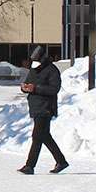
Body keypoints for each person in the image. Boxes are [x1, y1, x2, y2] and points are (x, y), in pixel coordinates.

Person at [18, 46, 68, 174]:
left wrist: (36, 88)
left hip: (46, 107)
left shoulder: (52, 71)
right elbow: (27, 82)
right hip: (35, 107)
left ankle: (30, 166)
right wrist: (25, 88)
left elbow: (53, 89)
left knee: (37, 136)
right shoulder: (33, 70)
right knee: (44, 136)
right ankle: (61, 161)